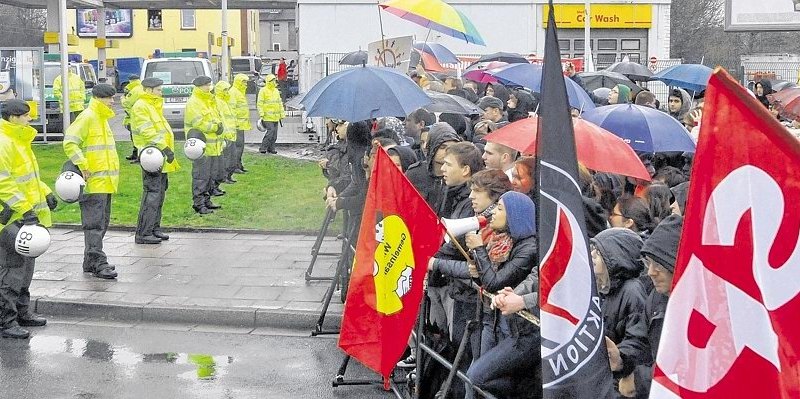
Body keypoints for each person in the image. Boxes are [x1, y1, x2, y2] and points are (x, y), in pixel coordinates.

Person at [0, 99, 53, 339]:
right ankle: (7, 321)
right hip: (10, 218)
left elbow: (28, 177)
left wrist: (46, 192)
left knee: (26, 267)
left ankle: (22, 312)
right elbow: (4, 183)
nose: (30, 119)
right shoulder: (4, 142)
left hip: (25, 217)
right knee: (12, 270)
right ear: (13, 117)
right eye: (26, 115)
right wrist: (24, 208)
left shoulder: (19, 140)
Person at [62, 84, 119, 280]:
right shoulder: (88, 117)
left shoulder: (101, 118)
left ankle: (90, 260)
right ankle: (97, 262)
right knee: (94, 224)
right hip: (93, 182)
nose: (113, 101)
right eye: (109, 98)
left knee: (101, 223)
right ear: (98, 98)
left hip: (103, 182)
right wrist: (82, 164)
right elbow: (69, 141)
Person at [590, 228, 649, 397]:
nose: (592, 255)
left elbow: (638, 341)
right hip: (604, 369)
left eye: (599, 251)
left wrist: (619, 356)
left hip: (620, 376)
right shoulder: (601, 286)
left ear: (616, 256)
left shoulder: (632, 291)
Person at [635, 214, 683, 396]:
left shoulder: (702, 307)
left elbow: (685, 370)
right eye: (649, 263)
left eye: (659, 266)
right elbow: (640, 338)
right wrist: (621, 358)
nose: (651, 272)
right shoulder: (656, 296)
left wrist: (639, 380)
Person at [130, 77, 179, 244]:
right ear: (149, 90)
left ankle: (154, 228)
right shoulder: (141, 106)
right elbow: (148, 132)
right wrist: (164, 147)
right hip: (151, 156)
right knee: (152, 194)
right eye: (158, 89)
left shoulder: (152, 105)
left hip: (159, 156)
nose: (161, 92)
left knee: (159, 192)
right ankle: (144, 232)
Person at [185, 76, 224, 215]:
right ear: (199, 86)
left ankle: (207, 201)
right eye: (206, 85)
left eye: (209, 85)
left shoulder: (209, 100)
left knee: (209, 176)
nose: (209, 87)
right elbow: (198, 123)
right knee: (201, 176)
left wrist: (220, 127)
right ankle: (199, 204)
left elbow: (217, 117)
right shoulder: (194, 102)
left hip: (212, 146)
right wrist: (215, 127)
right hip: (201, 147)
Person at [405, 122, 461, 215]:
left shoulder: (458, 175)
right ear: (432, 146)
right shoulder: (415, 173)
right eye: (442, 147)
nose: (447, 152)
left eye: (452, 148)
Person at [215, 81, 238, 184]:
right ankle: (225, 176)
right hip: (226, 134)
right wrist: (225, 133)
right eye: (224, 90)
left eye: (227, 90)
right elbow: (222, 119)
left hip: (231, 134)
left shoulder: (226, 101)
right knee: (227, 157)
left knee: (232, 157)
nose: (227, 92)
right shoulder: (218, 102)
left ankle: (229, 175)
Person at [256, 73, 285, 154]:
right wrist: (261, 113)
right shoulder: (263, 91)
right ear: (268, 81)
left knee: (274, 135)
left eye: (274, 80)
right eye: (271, 80)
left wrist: (282, 114)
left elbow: (280, 103)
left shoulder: (276, 91)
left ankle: (271, 148)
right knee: (270, 132)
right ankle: (263, 147)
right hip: (267, 117)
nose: (273, 82)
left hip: (276, 117)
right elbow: (260, 103)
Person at [229, 74, 252, 173]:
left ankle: (238, 165)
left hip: (240, 124)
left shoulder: (239, 92)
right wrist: (235, 123)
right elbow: (232, 109)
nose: (246, 84)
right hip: (236, 125)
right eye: (244, 82)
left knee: (240, 146)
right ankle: (235, 167)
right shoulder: (234, 93)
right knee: (237, 146)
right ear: (239, 82)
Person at [121, 74, 142, 163]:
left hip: (133, 117)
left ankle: (138, 156)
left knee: (135, 138)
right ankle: (136, 154)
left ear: (130, 80)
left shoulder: (133, 90)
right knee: (138, 137)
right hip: (138, 116)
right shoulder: (141, 88)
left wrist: (122, 98)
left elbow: (127, 103)